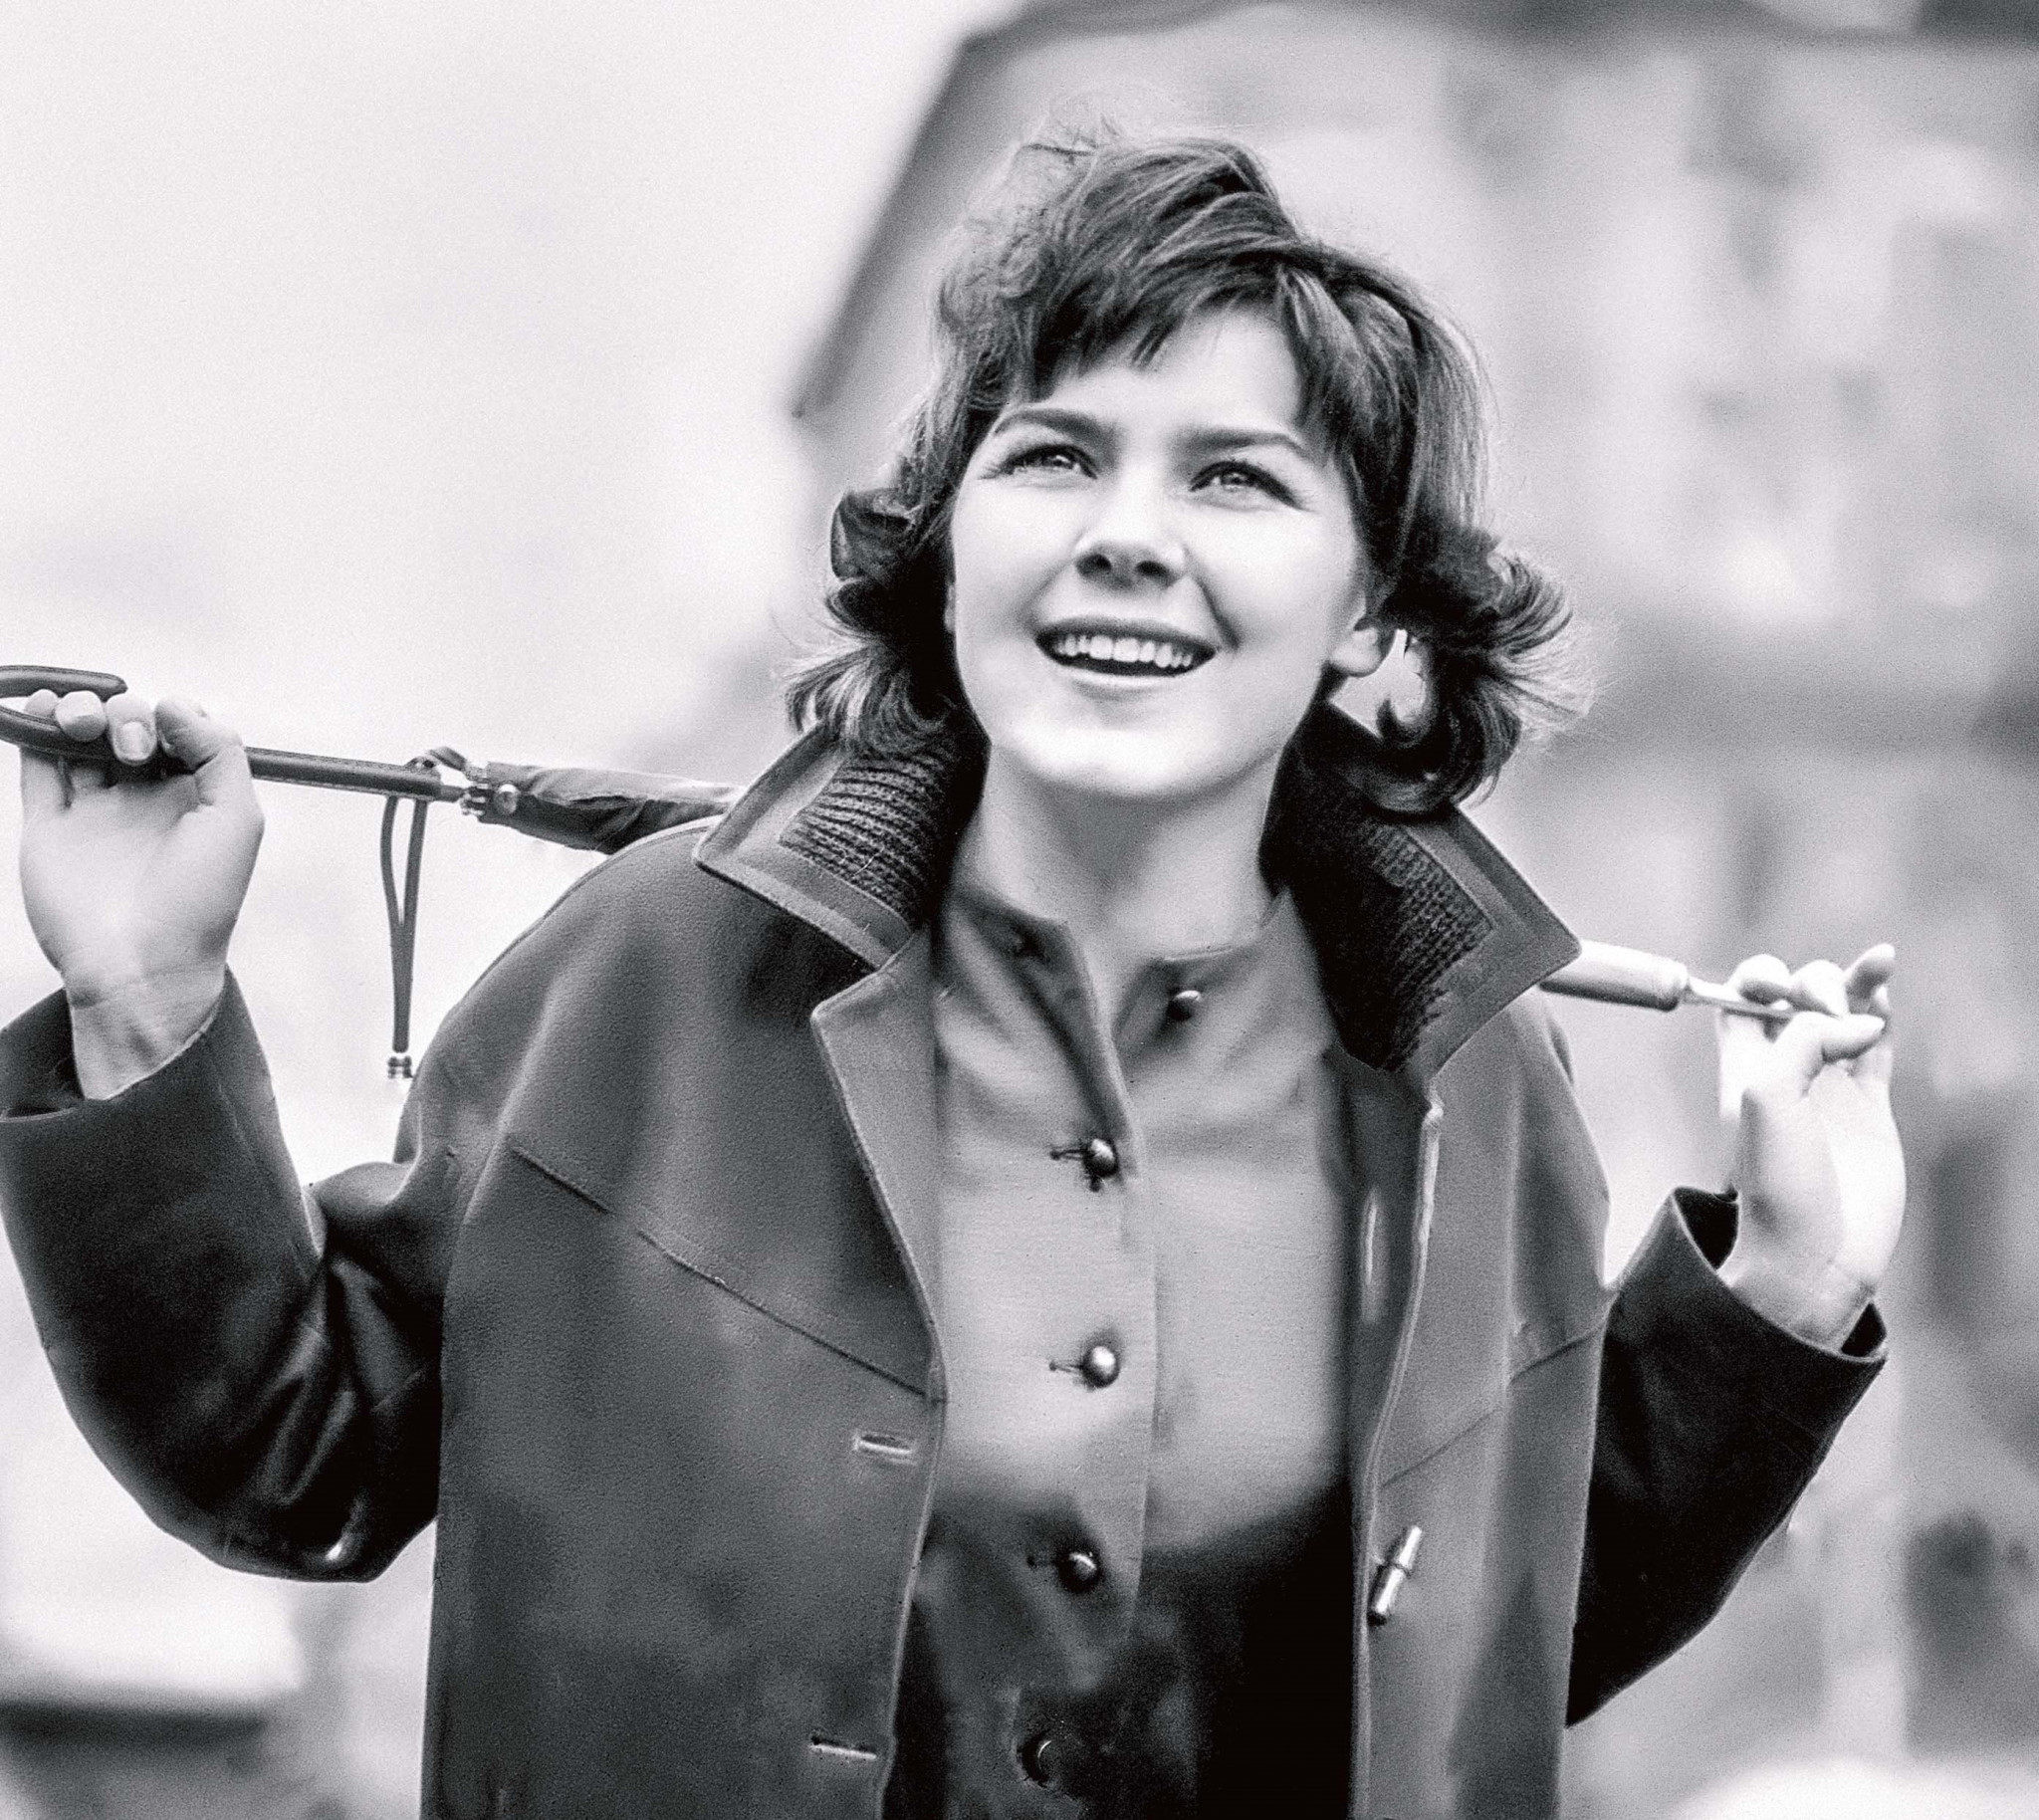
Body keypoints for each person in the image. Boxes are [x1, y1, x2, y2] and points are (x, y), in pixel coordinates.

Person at [0, 133, 1902, 1819]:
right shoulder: (656, 968)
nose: (1126, 537)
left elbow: (1499, 1633)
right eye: (1056, 454)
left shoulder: (1467, 1064)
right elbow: (294, 1457)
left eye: (1236, 480)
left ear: (1370, 612)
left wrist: (1787, 1285)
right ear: (954, 545)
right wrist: (145, 1007)